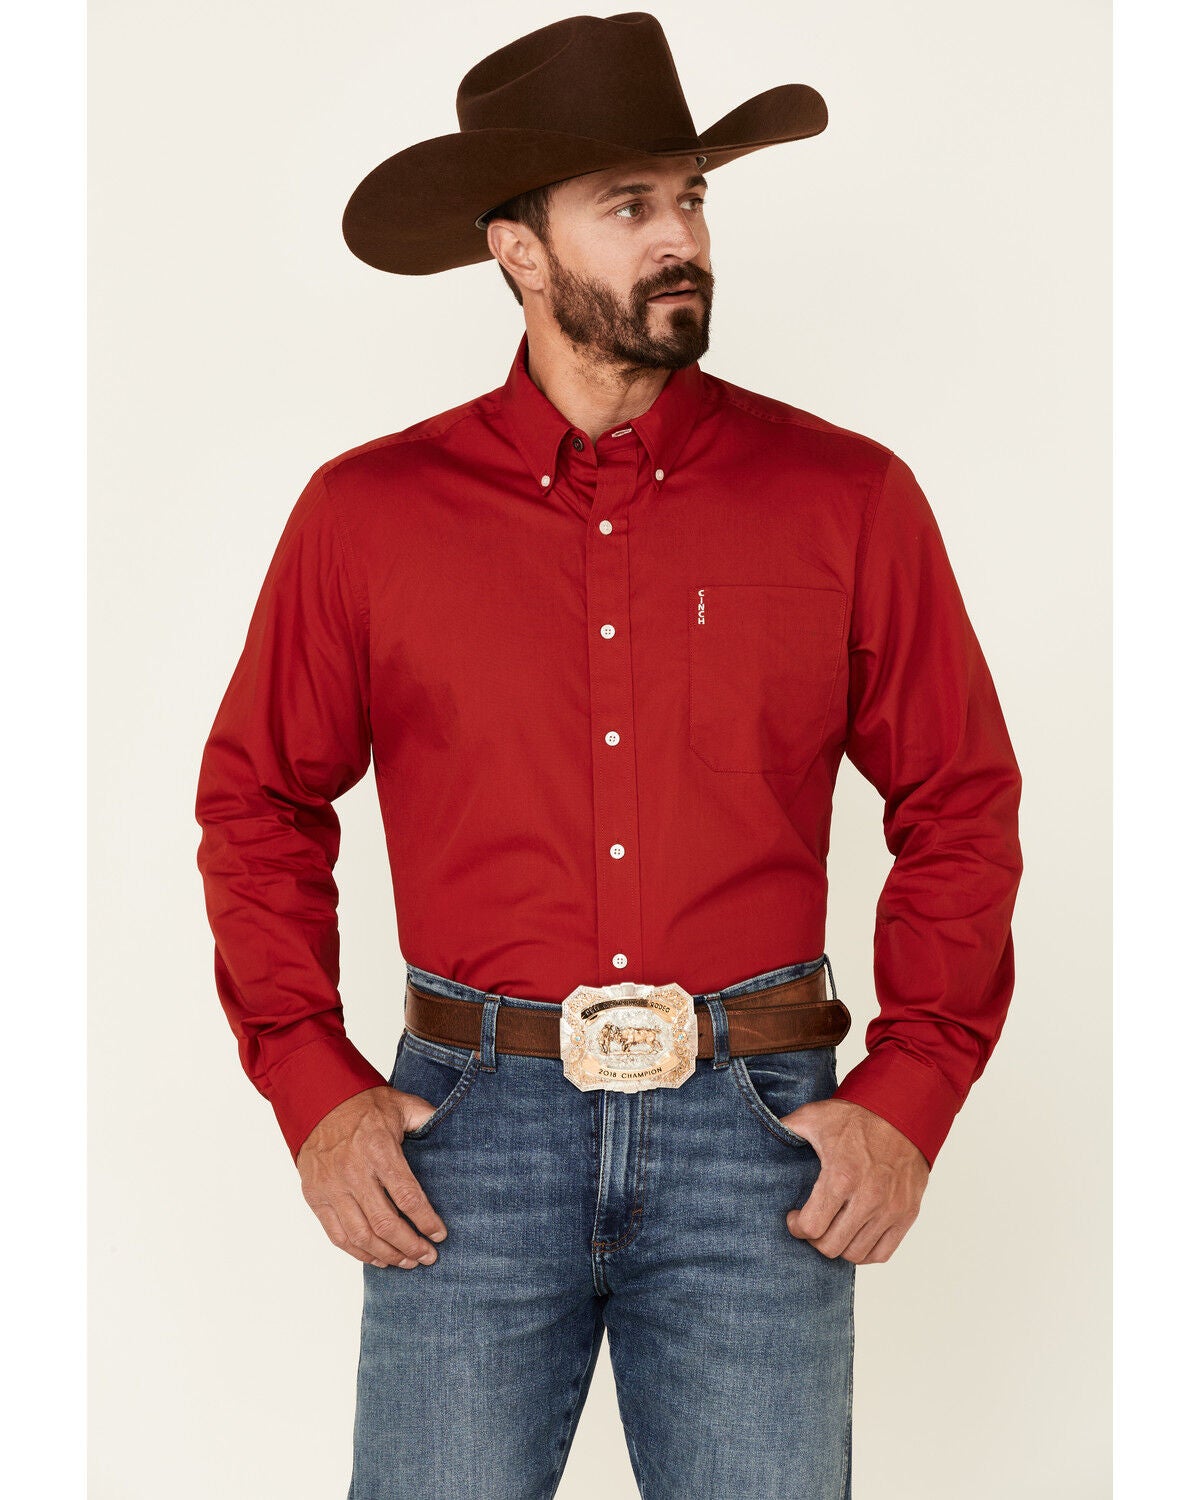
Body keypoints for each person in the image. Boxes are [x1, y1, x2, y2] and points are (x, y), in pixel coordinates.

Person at [194, 13, 1023, 1499]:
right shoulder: (367, 518)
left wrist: (912, 1090)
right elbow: (258, 801)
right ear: (518, 250)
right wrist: (313, 1085)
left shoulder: (847, 498)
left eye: (691, 198)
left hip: (761, 1140)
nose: (681, 237)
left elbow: (959, 798)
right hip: (466, 1138)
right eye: (629, 207)